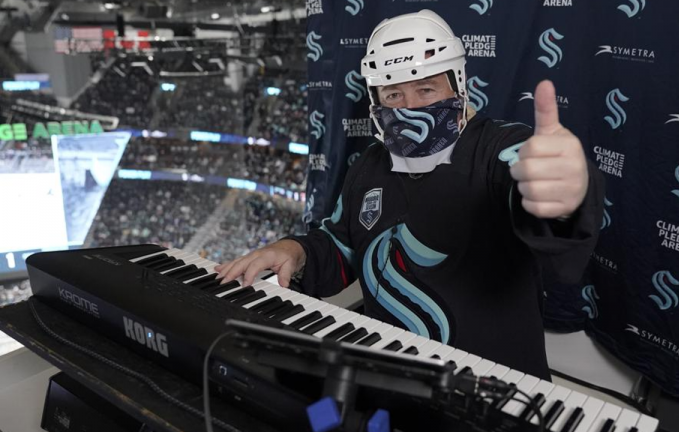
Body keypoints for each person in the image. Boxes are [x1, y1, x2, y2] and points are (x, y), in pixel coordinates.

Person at [215, 9, 605, 380]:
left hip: (494, 392)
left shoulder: (499, 150)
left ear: (458, 85)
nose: (411, 108)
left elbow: (540, 198)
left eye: (426, 88)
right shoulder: (369, 164)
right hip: (390, 381)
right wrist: (294, 251)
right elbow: (341, 246)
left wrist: (561, 197)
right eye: (393, 95)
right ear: (376, 99)